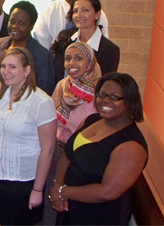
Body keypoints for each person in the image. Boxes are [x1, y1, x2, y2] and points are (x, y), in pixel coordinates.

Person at [49, 72, 148, 225]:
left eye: (114, 97)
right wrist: (58, 185)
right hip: (71, 207)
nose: (105, 101)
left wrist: (62, 192)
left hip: (98, 216)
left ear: (129, 101)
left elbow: (107, 191)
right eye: (102, 94)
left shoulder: (131, 145)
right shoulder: (91, 120)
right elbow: (68, 155)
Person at [0, 47, 56, 225]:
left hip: (22, 179)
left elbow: (48, 149)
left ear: (27, 70)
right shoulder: (1, 90)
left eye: (12, 67)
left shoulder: (42, 102)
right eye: (3, 66)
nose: (6, 72)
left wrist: (37, 190)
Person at [43, 42, 101, 225]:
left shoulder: (100, 93)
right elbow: (50, 119)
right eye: (68, 58)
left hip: (80, 160)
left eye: (78, 58)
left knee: (72, 210)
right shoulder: (62, 85)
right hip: (56, 153)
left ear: (90, 62)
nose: (71, 63)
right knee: (51, 206)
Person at [0, 1, 55, 96]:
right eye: (12, 21)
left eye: (22, 23)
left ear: (31, 26)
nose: (15, 26)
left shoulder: (42, 55)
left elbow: (45, 91)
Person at [52, 0, 120, 83]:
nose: (79, 15)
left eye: (85, 10)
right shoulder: (64, 39)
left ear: (97, 14)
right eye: (75, 11)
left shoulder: (110, 49)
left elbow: (105, 84)